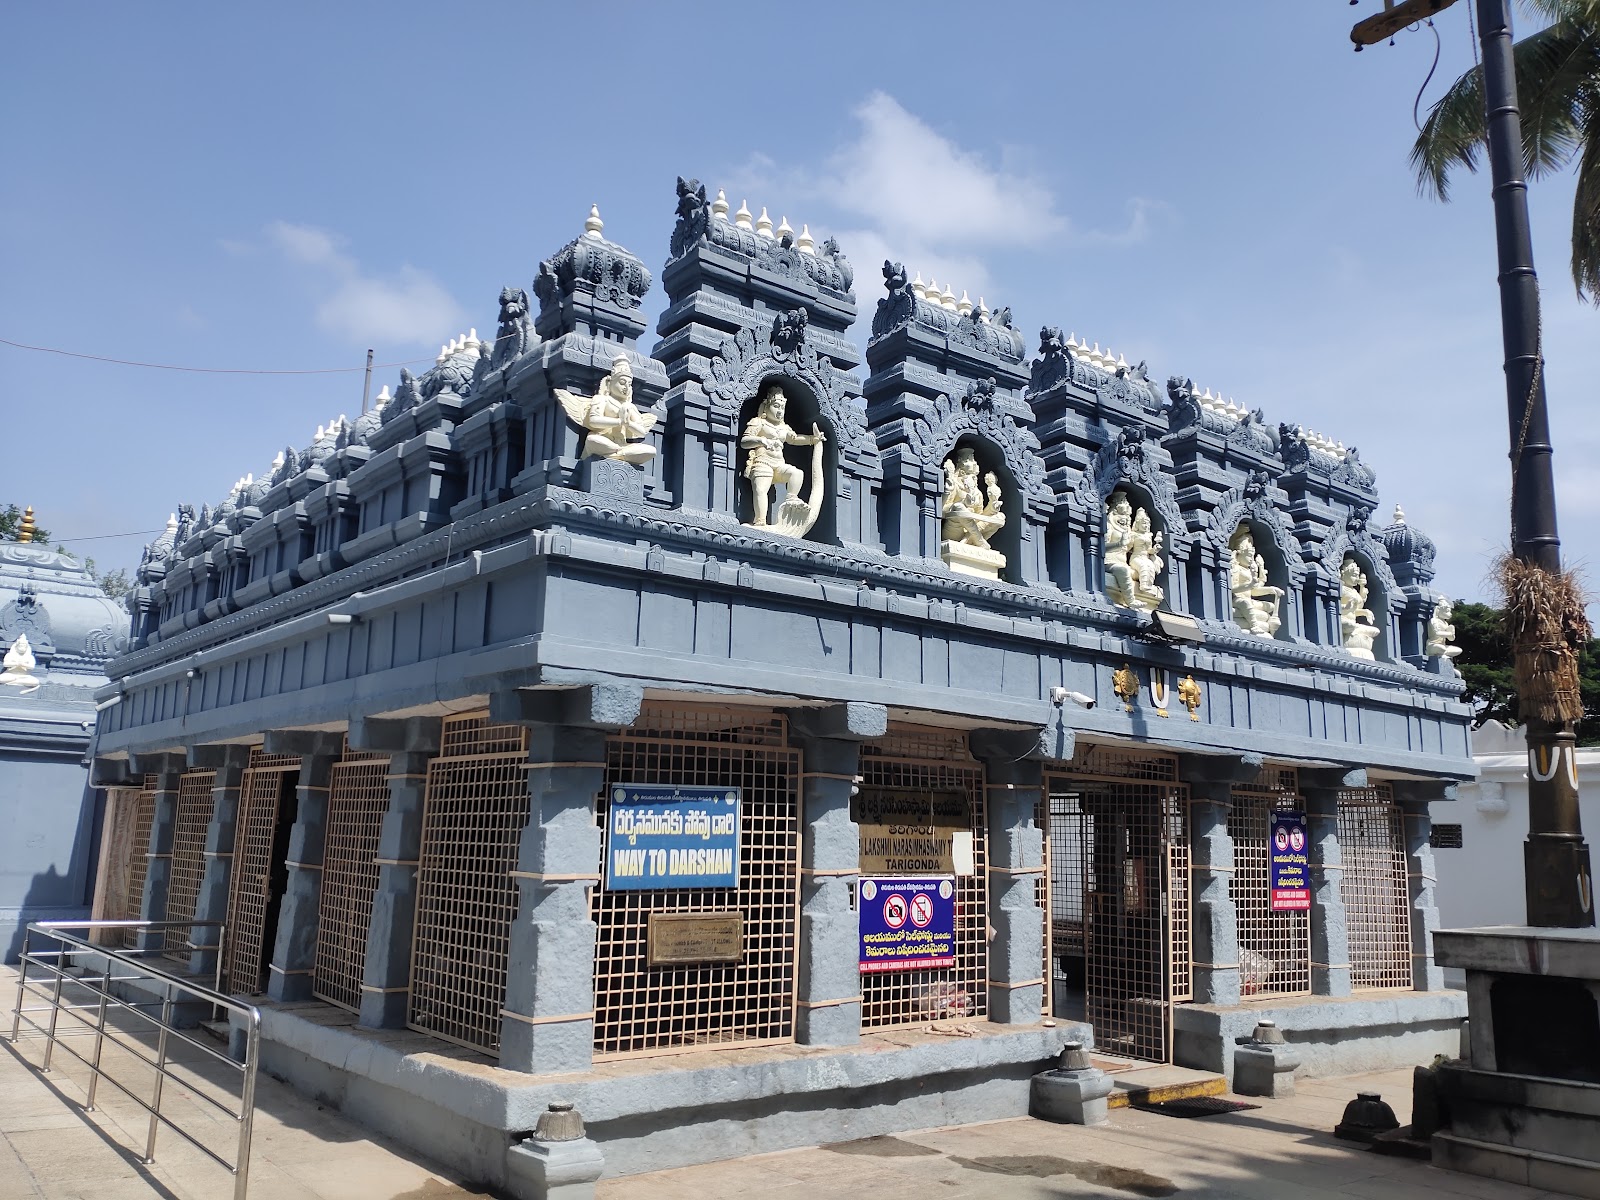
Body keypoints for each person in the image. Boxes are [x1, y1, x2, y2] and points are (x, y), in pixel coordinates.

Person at [742, 387, 825, 527]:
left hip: (779, 464)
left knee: (797, 473)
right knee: (761, 490)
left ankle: (791, 498)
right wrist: (761, 440)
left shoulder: (784, 427)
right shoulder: (759, 422)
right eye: (776, 406)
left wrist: (812, 439)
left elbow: (795, 439)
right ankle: (760, 520)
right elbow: (745, 442)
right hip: (762, 462)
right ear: (766, 406)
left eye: (782, 407)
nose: (780, 411)